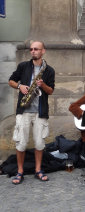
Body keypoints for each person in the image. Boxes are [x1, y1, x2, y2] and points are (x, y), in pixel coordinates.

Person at [8, 41, 55, 184]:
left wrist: (43, 85)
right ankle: (20, 171)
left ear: (43, 51)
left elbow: (51, 91)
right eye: (31, 49)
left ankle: (38, 170)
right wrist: (20, 86)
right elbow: (11, 81)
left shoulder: (49, 70)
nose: (33, 51)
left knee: (40, 143)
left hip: (40, 112)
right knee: (21, 143)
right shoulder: (23, 66)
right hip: (24, 111)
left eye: (36, 49)